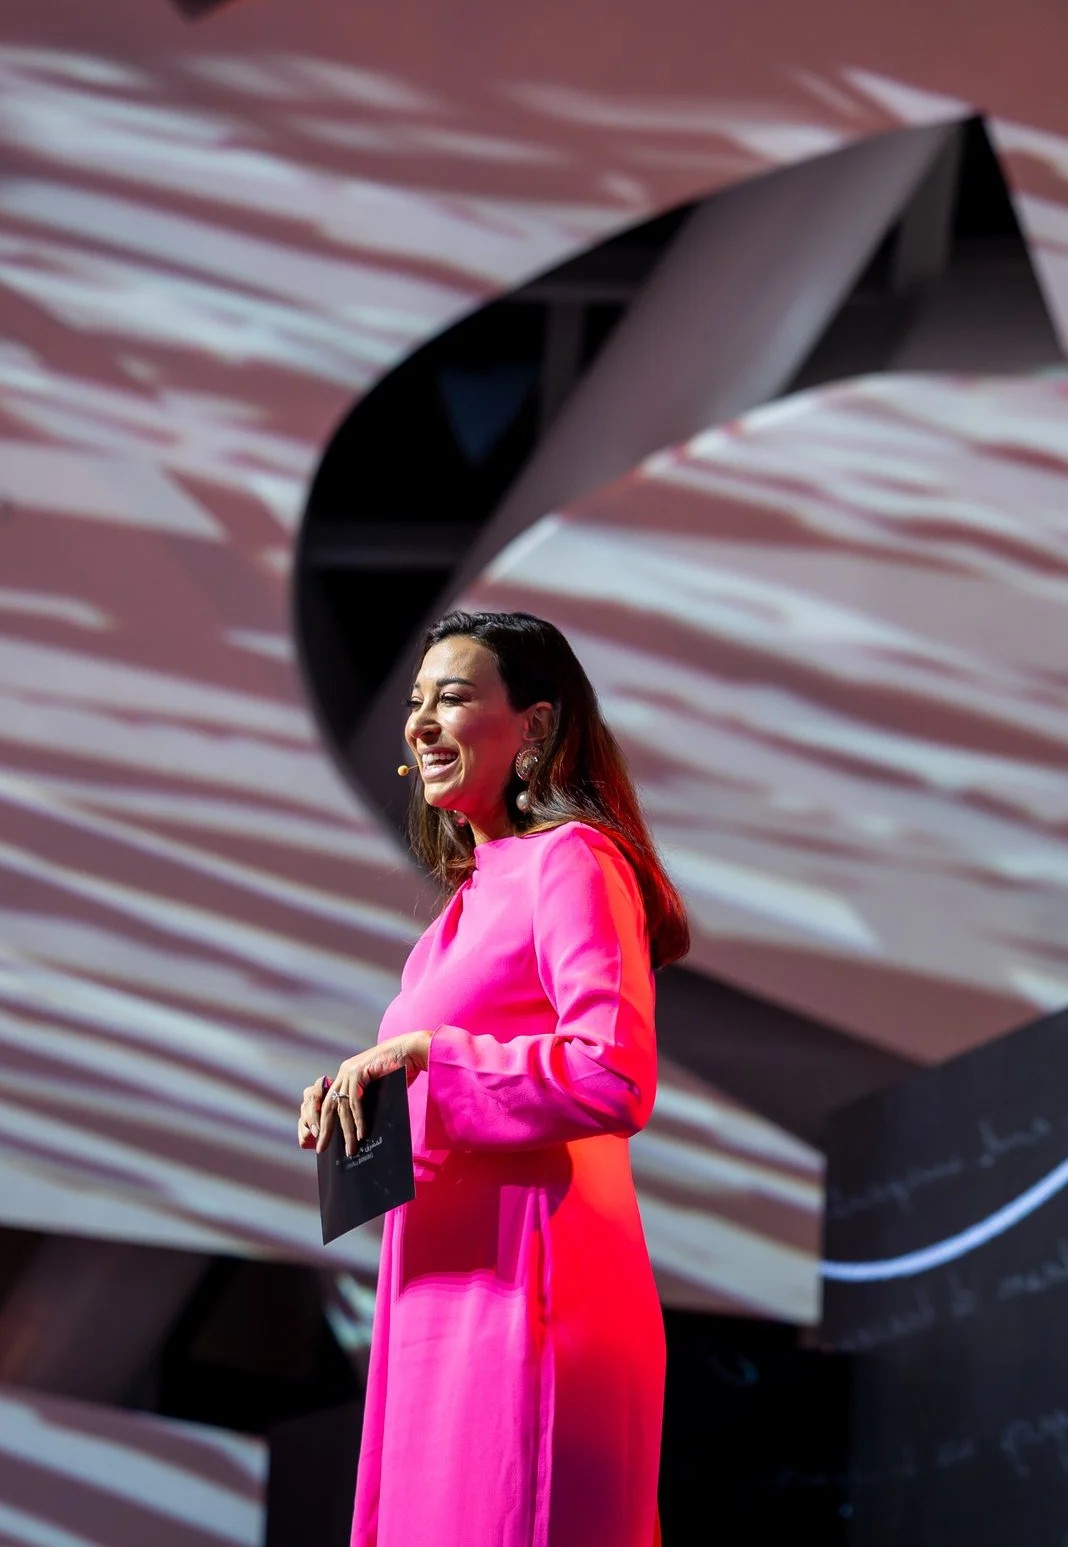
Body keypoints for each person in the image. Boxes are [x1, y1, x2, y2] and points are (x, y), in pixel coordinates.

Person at [297, 609, 688, 1547]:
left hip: (531, 1293)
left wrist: (431, 1056)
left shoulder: (573, 860)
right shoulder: (457, 913)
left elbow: (613, 1073)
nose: (420, 723)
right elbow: (448, 1077)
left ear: (536, 727)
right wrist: (364, 1098)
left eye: (453, 698)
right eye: (416, 702)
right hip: (437, 1295)